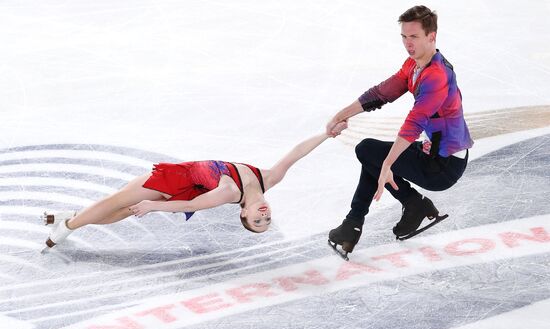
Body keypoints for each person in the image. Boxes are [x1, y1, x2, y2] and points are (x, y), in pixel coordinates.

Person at [43, 122, 347, 248]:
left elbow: (189, 205)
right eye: (267, 219)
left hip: (176, 183)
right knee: (121, 208)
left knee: (118, 202)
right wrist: (327, 134)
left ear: (243, 215)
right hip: (184, 176)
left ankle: (67, 225)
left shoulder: (229, 192)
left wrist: (154, 205)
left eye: (258, 221)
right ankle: (75, 217)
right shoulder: (268, 179)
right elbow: (296, 153)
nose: (264, 215)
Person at [325, 5, 473, 260]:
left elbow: (413, 124)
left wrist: (388, 165)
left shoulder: (436, 76)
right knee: (373, 156)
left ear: (431, 36)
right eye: (404, 37)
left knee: (370, 152)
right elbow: (383, 92)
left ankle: (364, 220)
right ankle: (364, 221)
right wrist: (343, 114)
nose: (408, 43)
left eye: (414, 37)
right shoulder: (414, 65)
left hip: (444, 166)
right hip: (431, 152)